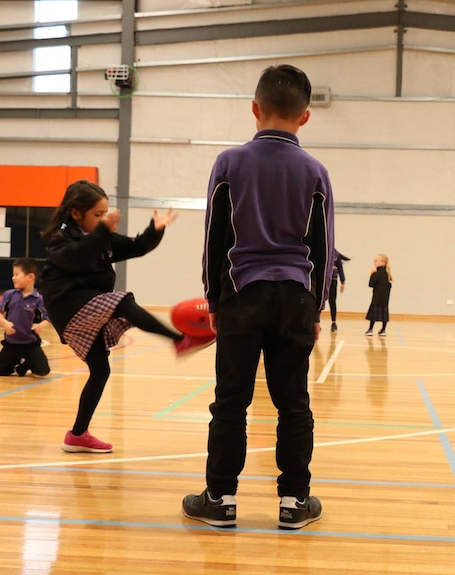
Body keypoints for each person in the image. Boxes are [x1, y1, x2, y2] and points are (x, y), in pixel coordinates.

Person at [182, 64, 334, 530]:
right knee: (294, 402)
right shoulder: (315, 171)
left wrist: (214, 300)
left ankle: (221, 499)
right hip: (294, 296)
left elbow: (214, 237)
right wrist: (318, 305)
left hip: (241, 295)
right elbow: (323, 246)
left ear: (254, 108)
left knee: (231, 401)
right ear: (305, 117)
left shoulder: (229, 163)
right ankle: (294, 502)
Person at [39, 180, 214, 454]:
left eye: (105, 214)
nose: (104, 219)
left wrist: (155, 230)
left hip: (85, 303)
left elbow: (136, 246)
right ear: (76, 213)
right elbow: (76, 258)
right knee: (123, 301)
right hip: (67, 304)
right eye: (97, 215)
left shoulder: (98, 236)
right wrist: (101, 233)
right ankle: (180, 340)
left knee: (100, 370)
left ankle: (77, 435)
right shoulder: (61, 239)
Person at [0, 258, 51, 378]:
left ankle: (26, 364)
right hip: (12, 343)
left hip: (30, 344)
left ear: (30, 277)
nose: (13, 278)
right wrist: (5, 323)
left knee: (43, 370)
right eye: (13, 275)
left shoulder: (38, 299)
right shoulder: (9, 295)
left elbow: (48, 318)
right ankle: (18, 363)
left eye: (16, 275)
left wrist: (40, 326)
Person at [365, 253, 392, 336]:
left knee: (373, 314)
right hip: (385, 298)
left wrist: (371, 275)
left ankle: (370, 329)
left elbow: (371, 284)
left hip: (376, 297)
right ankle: (383, 329)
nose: (375, 262)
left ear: (383, 262)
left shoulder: (377, 273)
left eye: (376, 260)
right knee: (384, 314)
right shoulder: (387, 274)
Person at [329, 250, 349, 332]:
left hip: (333, 280)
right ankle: (316, 322)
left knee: (332, 301)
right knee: (319, 301)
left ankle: (334, 322)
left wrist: (343, 282)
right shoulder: (322, 251)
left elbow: (340, 268)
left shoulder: (336, 254)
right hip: (323, 280)